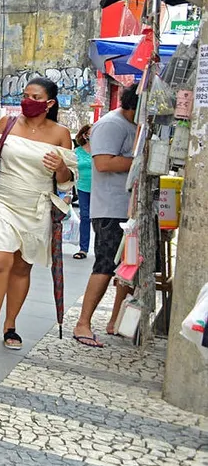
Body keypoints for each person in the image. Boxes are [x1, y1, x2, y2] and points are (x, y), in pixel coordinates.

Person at [0, 78, 78, 355]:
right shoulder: (6, 125)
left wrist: (60, 168)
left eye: (35, 96)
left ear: (49, 103)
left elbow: (67, 183)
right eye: (25, 94)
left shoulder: (60, 133)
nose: (27, 100)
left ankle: (10, 324)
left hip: (36, 206)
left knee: (22, 266)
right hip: (1, 201)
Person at [72, 85, 139, 346]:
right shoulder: (111, 124)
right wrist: (141, 159)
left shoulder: (133, 124)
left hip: (129, 207)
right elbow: (103, 162)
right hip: (111, 209)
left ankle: (116, 321)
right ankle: (83, 323)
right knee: (105, 264)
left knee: (129, 266)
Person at [73, 124, 93, 259]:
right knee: (85, 216)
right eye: (91, 133)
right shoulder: (77, 151)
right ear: (85, 135)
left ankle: (101, 248)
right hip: (82, 187)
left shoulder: (101, 150)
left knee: (99, 220)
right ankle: (83, 249)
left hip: (100, 188)